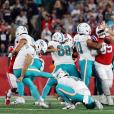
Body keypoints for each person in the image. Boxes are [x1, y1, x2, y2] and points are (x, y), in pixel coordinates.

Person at [40, 32, 80, 103]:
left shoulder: (53, 43)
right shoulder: (68, 44)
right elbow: (74, 53)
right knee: (78, 83)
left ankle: (41, 99)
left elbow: (45, 49)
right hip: (71, 65)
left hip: (61, 66)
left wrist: (51, 50)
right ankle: (79, 99)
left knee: (49, 83)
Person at [94, 26, 114, 105]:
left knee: (109, 84)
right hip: (99, 64)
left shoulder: (110, 39)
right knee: (104, 81)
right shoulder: (95, 40)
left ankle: (105, 97)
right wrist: (98, 51)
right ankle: (107, 98)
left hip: (109, 64)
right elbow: (92, 53)